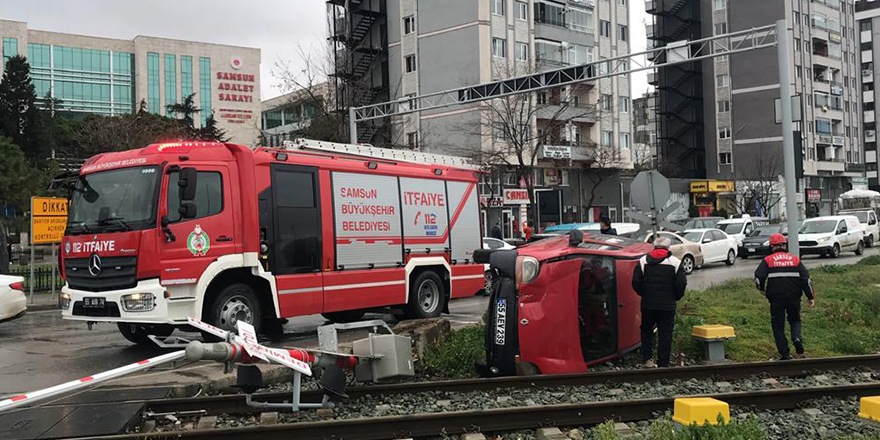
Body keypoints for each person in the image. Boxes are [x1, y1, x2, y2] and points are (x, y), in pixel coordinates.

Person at [754, 233, 815, 360]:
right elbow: (806, 280)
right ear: (784, 245)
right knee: (795, 320)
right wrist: (810, 296)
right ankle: (797, 338)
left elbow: (758, 278)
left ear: (771, 246)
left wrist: (762, 290)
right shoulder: (795, 260)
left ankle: (785, 353)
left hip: (776, 299)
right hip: (794, 297)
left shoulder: (768, 261)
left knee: (778, 326)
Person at [631, 236, 687, 368]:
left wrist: (643, 294)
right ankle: (663, 363)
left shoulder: (643, 261)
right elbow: (681, 284)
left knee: (646, 331)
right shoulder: (675, 262)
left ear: (654, 247)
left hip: (648, 304)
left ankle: (647, 359)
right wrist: (675, 297)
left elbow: (635, 282)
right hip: (667, 305)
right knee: (665, 333)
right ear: (668, 248)